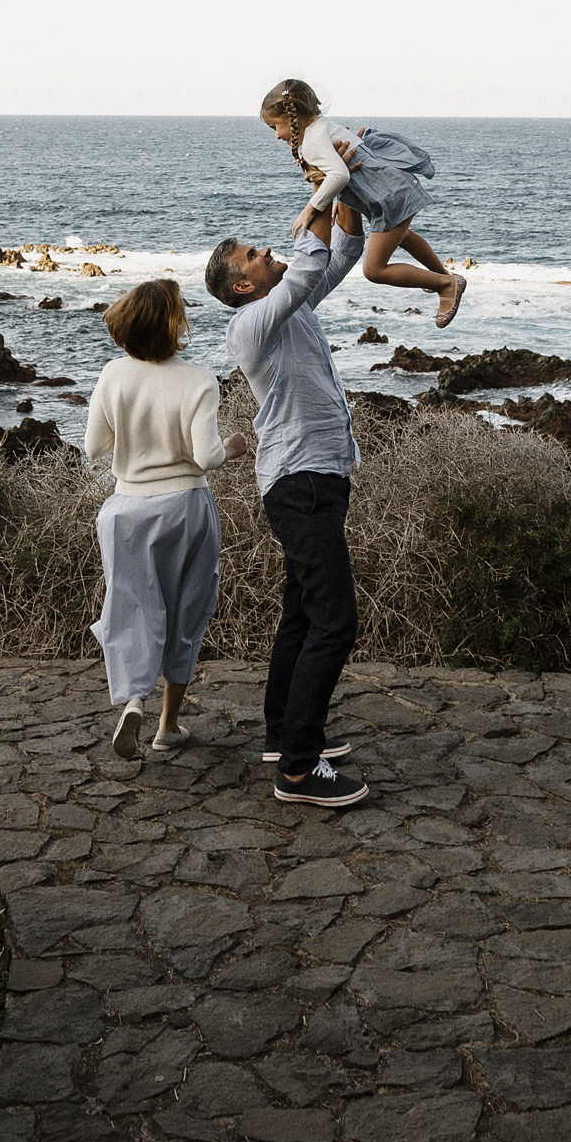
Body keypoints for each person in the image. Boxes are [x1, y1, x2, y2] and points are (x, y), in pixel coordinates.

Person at [203, 204, 370, 808]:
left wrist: (343, 191)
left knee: (302, 613)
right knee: (336, 620)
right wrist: (324, 189)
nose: (266, 251)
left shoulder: (289, 311)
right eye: (253, 254)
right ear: (244, 285)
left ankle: (282, 737)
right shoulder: (251, 324)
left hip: (321, 474)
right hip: (297, 483)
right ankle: (299, 770)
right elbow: (303, 271)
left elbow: (342, 254)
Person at [83, 277, 239, 760]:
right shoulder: (199, 380)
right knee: (185, 610)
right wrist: (234, 446)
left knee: (132, 609)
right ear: (175, 325)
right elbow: (207, 456)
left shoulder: (112, 375)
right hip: (184, 508)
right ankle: (168, 726)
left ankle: (133, 700)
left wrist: (133, 438)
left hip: (126, 512)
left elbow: (93, 449)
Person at [259, 77, 466, 328]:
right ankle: (444, 277)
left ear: (292, 118)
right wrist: (341, 196)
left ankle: (446, 285)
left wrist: (311, 208)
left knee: (374, 270)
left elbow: (339, 174)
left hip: (388, 194)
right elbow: (347, 166)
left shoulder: (312, 142)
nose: (277, 136)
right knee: (402, 236)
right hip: (389, 189)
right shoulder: (322, 125)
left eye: (274, 127)